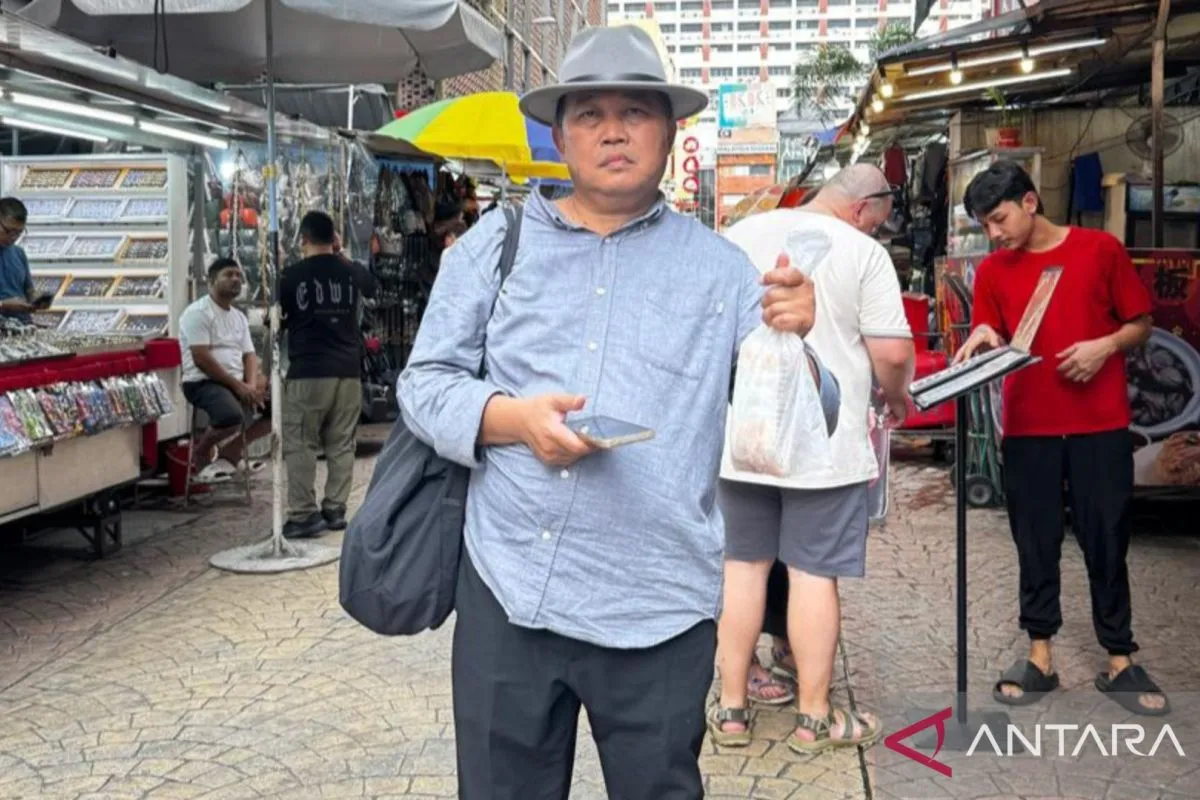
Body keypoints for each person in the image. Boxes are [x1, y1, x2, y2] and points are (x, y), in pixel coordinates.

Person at [397, 25, 837, 799]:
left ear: (669, 132)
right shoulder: (493, 248)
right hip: (510, 592)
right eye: (590, 114)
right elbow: (424, 383)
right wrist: (512, 420)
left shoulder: (722, 272)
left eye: (635, 112)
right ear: (561, 134)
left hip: (658, 608)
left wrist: (797, 336)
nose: (613, 131)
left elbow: (813, 411)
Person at [712, 165, 915, 752]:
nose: (876, 230)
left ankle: (731, 709)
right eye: (877, 220)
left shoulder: (737, 236)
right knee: (812, 574)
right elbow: (892, 354)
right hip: (824, 445)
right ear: (863, 208)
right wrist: (897, 397)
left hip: (741, 438)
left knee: (741, 568)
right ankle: (815, 719)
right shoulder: (863, 253)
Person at [955, 160, 1168, 716]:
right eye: (984, 225)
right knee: (1035, 540)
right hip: (1029, 426)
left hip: (1101, 423)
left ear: (1030, 202)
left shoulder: (1100, 250)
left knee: (1107, 537)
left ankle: (1119, 657)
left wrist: (1104, 346)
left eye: (999, 219)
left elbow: (1141, 324)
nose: (994, 234)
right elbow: (993, 333)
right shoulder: (993, 271)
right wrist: (985, 336)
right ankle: (1040, 654)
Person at [279, 211, 378, 539]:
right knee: (342, 443)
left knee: (301, 442)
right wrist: (341, 255)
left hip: (308, 371)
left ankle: (303, 514)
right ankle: (335, 509)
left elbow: (279, 319)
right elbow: (371, 287)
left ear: (304, 239)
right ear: (334, 238)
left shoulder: (291, 276)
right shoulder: (351, 271)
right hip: (348, 372)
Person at [178, 258, 270, 483]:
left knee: (276, 410)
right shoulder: (198, 313)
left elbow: (249, 355)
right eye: (228, 275)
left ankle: (231, 452)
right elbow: (201, 359)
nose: (235, 279)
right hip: (203, 382)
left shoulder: (238, 317)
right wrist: (239, 387)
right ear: (211, 281)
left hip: (236, 381)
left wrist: (251, 385)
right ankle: (202, 452)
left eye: (238, 275)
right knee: (230, 416)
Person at [0, 198, 36, 324]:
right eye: (8, 231)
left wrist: (36, 300)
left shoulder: (18, 253)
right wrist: (3, 305)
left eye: (19, 232)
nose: (13, 237)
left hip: (21, 325)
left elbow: (28, 289)